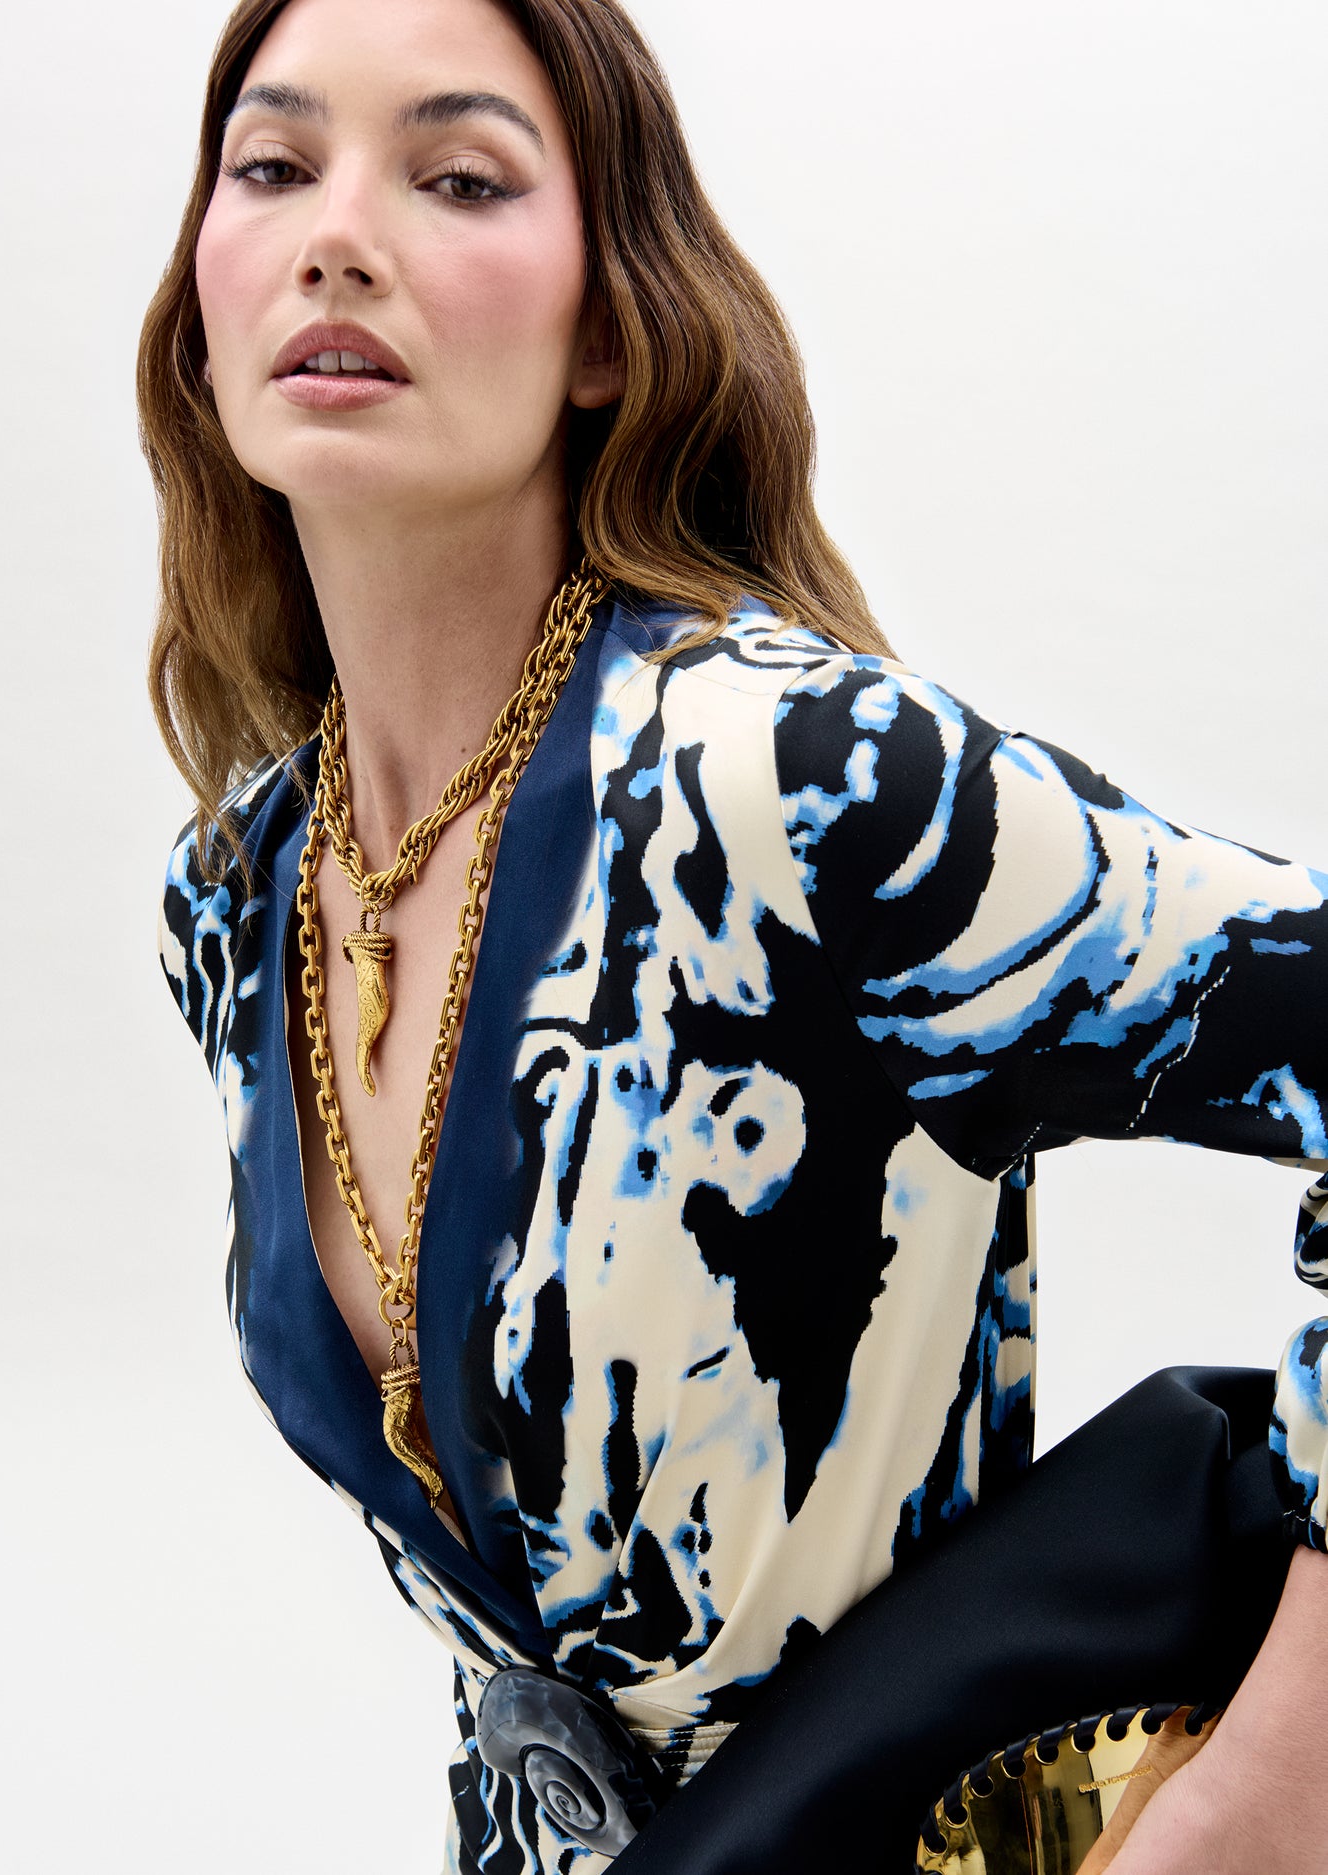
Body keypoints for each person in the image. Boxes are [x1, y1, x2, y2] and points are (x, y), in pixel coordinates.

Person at [138, 0, 1328, 1867]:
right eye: (272, 166)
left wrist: (1276, 1791)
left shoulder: (789, 781)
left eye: (457, 176)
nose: (335, 233)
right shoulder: (239, 897)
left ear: (612, 322)